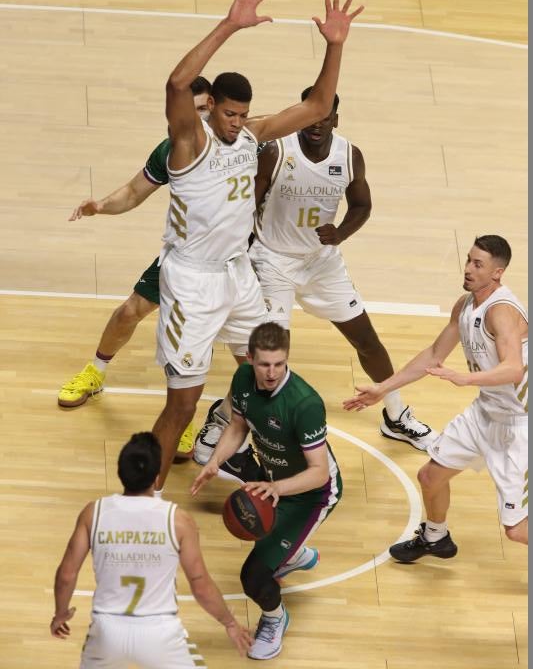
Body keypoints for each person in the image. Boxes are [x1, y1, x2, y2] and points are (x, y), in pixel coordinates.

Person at [153, 0, 363, 494]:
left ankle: (239, 439)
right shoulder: (187, 143)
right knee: (180, 401)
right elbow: (178, 84)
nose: (237, 123)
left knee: (266, 366)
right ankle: (149, 498)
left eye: (243, 115)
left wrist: (334, 45)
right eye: (229, 113)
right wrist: (229, 24)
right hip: (192, 284)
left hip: (237, 274)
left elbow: (316, 107)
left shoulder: (250, 137)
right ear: (211, 108)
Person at [195, 88, 434, 459]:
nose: (317, 125)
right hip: (273, 261)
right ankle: (226, 415)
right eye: (311, 117)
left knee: (367, 341)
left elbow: (362, 204)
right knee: (268, 356)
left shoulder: (349, 156)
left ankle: (396, 413)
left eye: (325, 118)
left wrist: (341, 232)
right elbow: (246, 206)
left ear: (335, 118)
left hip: (321, 262)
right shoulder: (277, 151)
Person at [344, 235, 528, 561]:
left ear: (497, 273)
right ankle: (435, 537)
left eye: (478, 264)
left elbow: (514, 369)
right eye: (469, 260)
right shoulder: (465, 305)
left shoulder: (500, 312)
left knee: (516, 530)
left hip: (520, 424)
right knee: (430, 476)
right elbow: (433, 355)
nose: (468, 268)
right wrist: (383, 388)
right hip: (487, 411)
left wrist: (466, 378)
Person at [56, 78, 212, 455]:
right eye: (192, 110)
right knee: (128, 312)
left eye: (205, 108)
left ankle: (201, 418)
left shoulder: (238, 147)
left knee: (209, 344)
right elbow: (132, 192)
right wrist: (101, 206)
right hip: (182, 255)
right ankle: (96, 371)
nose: (198, 117)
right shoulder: (172, 150)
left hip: (227, 263)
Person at [191, 322, 342, 660]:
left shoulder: (304, 403)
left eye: (279, 364)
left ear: (287, 359)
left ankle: (275, 618)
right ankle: (295, 552)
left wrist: (275, 487)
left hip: (311, 493)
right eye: (264, 364)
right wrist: (215, 462)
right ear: (250, 359)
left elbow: (319, 473)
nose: (272, 372)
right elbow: (238, 426)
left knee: (253, 577)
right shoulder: (243, 380)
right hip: (273, 480)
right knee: (259, 527)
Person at [50, 431, 252, 667]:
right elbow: (201, 586)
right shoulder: (179, 521)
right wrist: (230, 623)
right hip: (160, 634)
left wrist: (60, 614)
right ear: (157, 477)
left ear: (120, 472)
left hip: (107, 632)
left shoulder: (93, 513)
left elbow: (66, 575)